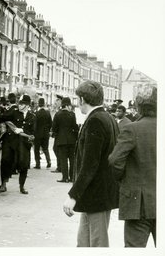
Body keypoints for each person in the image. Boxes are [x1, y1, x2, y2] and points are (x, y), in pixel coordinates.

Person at [63, 80, 119, 247]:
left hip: (96, 195)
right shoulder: (108, 117)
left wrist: (73, 196)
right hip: (98, 194)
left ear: (81, 99)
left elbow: (89, 164)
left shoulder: (95, 120)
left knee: (97, 243)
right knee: (84, 242)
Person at [108, 85, 156, 247]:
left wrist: (124, 180)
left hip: (138, 204)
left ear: (138, 106)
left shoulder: (132, 129)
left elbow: (115, 160)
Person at [52, 97, 78, 182]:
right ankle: (72, 177)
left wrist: (57, 135)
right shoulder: (72, 115)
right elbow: (75, 128)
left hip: (61, 141)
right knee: (72, 160)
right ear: (67, 105)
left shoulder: (57, 114)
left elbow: (54, 128)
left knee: (63, 160)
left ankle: (65, 177)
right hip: (71, 141)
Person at [33, 98, 52, 169]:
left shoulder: (36, 113)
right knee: (46, 149)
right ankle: (49, 161)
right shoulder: (48, 113)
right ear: (44, 104)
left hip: (37, 134)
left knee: (36, 149)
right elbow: (51, 123)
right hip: (46, 134)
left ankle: (38, 164)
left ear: (38, 104)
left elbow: (35, 125)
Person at [51, 94, 63, 173]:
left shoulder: (60, 111)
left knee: (57, 149)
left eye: (57, 101)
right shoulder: (58, 111)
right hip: (59, 134)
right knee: (56, 149)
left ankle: (60, 167)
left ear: (60, 101)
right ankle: (60, 166)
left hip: (60, 135)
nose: (55, 102)